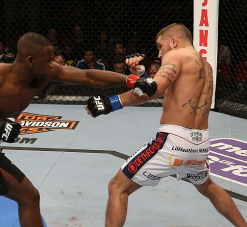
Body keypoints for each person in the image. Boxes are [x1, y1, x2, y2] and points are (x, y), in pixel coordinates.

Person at [0, 32, 128, 227]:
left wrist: (129, 80)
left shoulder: (47, 73)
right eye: (48, 60)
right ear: (30, 60)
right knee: (29, 197)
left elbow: (89, 77)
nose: (53, 64)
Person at [86, 23, 247, 227]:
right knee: (208, 186)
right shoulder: (206, 66)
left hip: (173, 142)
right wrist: (141, 75)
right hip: (200, 144)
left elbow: (154, 90)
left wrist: (111, 102)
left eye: (160, 47)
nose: (160, 54)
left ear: (174, 41)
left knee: (117, 187)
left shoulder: (175, 55)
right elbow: (171, 92)